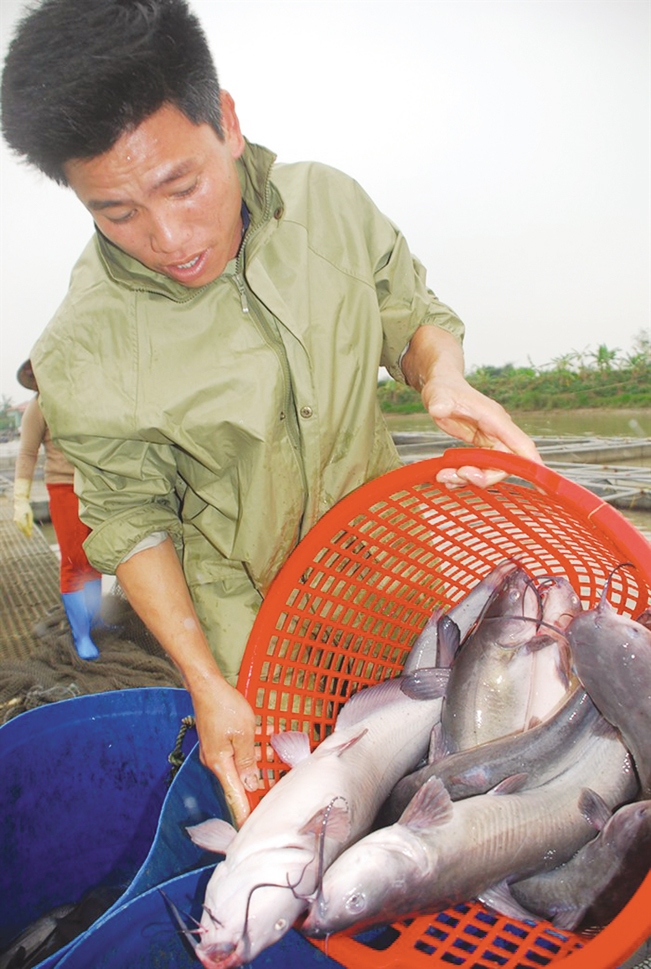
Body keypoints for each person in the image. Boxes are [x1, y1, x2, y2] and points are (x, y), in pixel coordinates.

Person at [1, 0, 541, 826]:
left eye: (182, 185)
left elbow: (411, 312)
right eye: (116, 213)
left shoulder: (328, 206)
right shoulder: (83, 345)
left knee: (449, 761)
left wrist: (443, 377)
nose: (170, 236)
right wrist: (207, 681)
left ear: (226, 120)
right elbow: (131, 522)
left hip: (394, 561)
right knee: (307, 817)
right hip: (253, 617)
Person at [13, 360, 102, 660]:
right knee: (74, 562)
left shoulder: (85, 398)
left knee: (96, 556)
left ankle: (95, 619)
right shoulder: (38, 407)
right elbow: (27, 453)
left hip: (94, 487)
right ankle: (82, 635)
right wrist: (20, 498)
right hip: (64, 488)